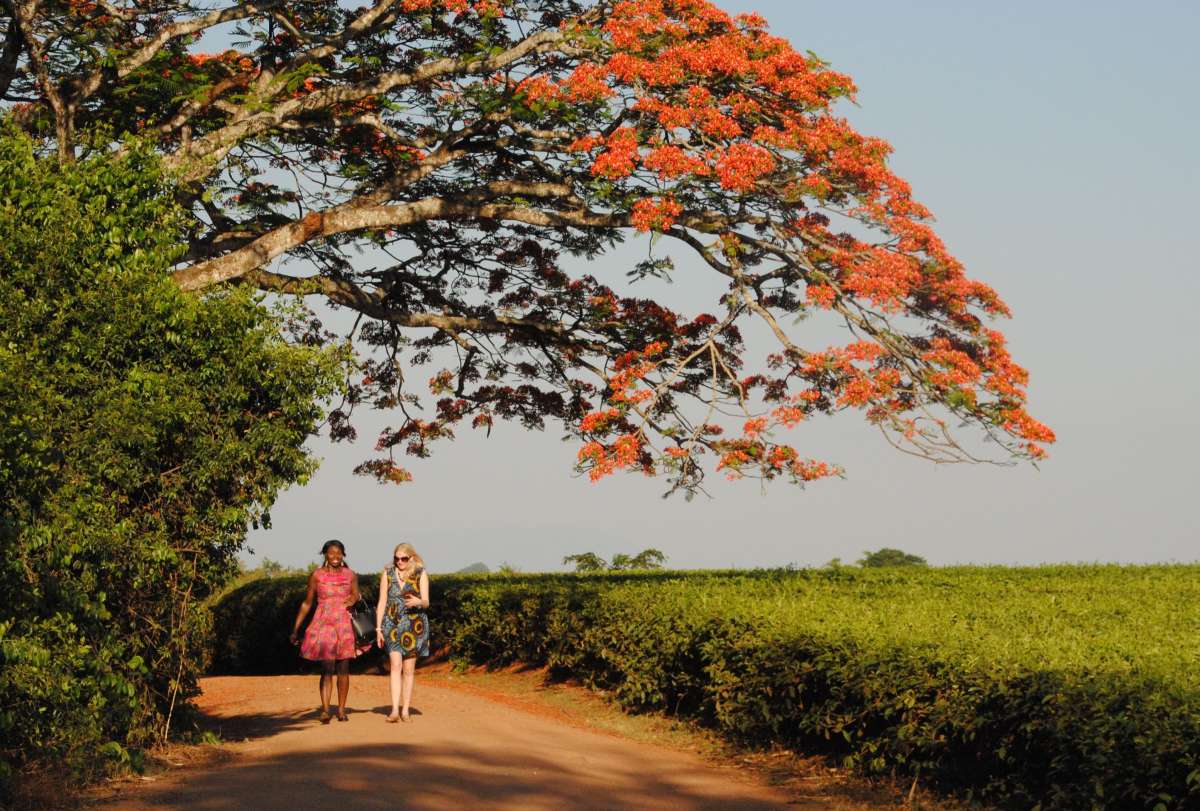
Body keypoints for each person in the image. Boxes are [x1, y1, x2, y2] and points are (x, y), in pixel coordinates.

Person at [289, 539, 366, 723]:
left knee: (344, 667)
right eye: (331, 553)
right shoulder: (316, 576)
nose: (335, 557)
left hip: (345, 624)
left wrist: (353, 599)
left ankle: (341, 710)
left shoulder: (350, 575)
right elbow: (307, 602)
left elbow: (356, 593)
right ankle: (325, 710)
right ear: (325, 554)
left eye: (339, 553)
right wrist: (295, 628)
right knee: (327, 667)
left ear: (343, 555)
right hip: (323, 623)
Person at [375, 542, 431, 722]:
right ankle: (394, 710)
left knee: (408, 670)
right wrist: (378, 629)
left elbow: (427, 602)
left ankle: (405, 710)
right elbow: (382, 601)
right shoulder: (387, 574)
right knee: (395, 666)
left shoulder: (420, 573)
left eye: (404, 558)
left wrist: (418, 601)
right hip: (391, 624)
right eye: (396, 558)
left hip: (414, 626)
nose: (400, 562)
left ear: (411, 558)